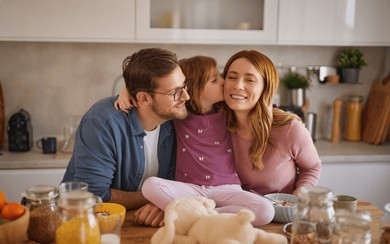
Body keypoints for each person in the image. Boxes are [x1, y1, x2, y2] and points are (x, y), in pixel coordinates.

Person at [115, 55, 275, 226]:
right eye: (214, 80)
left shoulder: (229, 111)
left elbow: (259, 104)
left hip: (227, 187)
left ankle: (195, 216)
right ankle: (201, 216)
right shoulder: (179, 114)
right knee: (150, 186)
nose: (223, 82)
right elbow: (156, 87)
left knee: (266, 210)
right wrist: (127, 90)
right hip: (188, 189)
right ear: (193, 88)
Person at [62, 48, 190, 227]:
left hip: (146, 222)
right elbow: (94, 195)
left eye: (184, 85)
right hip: (87, 225)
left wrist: (163, 201)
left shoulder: (175, 118)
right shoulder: (102, 123)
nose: (186, 96)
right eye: (175, 92)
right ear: (144, 98)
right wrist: (154, 197)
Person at [222, 50, 321, 196]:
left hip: (280, 216)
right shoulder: (216, 126)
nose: (238, 85)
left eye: (249, 80)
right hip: (236, 214)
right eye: (231, 77)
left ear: (265, 88)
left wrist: (299, 195)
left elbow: (312, 167)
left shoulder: (290, 129)